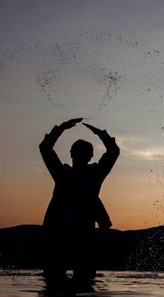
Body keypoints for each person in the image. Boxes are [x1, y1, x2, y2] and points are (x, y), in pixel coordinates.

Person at [40, 118, 120, 283]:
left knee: (81, 278)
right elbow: (45, 148)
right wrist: (61, 128)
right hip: (61, 233)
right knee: (56, 279)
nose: (80, 156)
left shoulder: (93, 174)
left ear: (89, 156)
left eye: (83, 152)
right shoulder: (63, 174)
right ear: (72, 154)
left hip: (82, 234)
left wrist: (100, 133)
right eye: (79, 152)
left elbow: (113, 152)